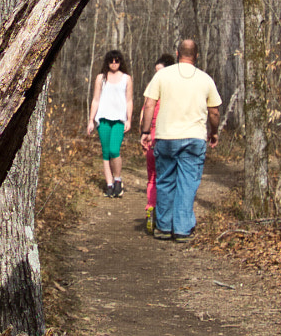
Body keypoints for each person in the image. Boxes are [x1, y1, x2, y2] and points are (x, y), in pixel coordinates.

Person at [139, 37, 221, 240]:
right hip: (194, 138)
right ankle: (183, 229)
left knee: (165, 180)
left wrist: (146, 131)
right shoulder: (205, 79)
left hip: (166, 137)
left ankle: (164, 227)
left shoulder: (163, 76)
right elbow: (214, 112)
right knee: (188, 183)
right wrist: (214, 131)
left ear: (177, 54)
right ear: (197, 56)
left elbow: (149, 104)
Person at [87, 47, 133, 198]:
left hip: (119, 119)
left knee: (114, 150)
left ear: (120, 62)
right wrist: (91, 120)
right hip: (103, 119)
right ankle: (109, 184)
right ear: (107, 62)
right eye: (111, 61)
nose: (114, 63)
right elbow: (95, 99)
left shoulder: (126, 78)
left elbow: (129, 100)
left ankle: (118, 179)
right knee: (106, 153)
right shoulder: (101, 78)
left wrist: (129, 119)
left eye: (117, 61)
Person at [140, 54, 175, 234]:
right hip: (162, 136)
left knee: (154, 178)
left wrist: (144, 133)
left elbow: (144, 111)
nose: (157, 77)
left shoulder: (154, 91)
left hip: (157, 136)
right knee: (163, 178)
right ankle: (162, 215)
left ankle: (151, 208)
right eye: (156, 73)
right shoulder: (175, 91)